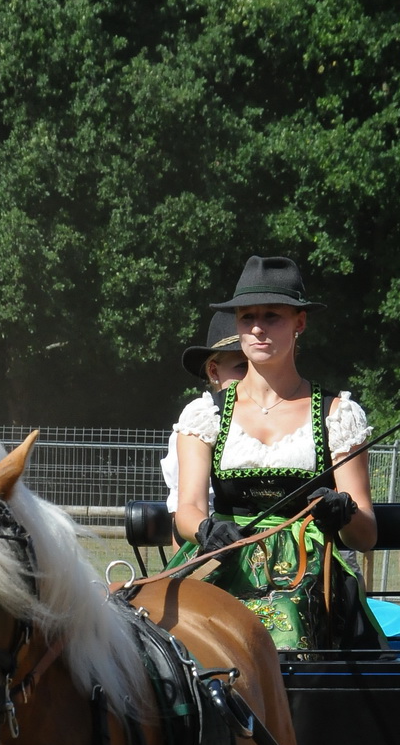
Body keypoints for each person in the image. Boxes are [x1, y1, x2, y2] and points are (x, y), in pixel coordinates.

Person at [172, 254, 379, 650]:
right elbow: (188, 509)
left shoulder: (338, 415)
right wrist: (205, 529)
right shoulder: (204, 414)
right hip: (224, 559)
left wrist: (343, 511)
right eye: (247, 317)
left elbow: (366, 535)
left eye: (272, 317)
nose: (257, 328)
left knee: (285, 623)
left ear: (299, 323)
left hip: (309, 575)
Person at [160, 315, 247, 514]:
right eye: (242, 366)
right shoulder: (200, 423)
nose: (253, 375)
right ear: (214, 371)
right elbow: (183, 509)